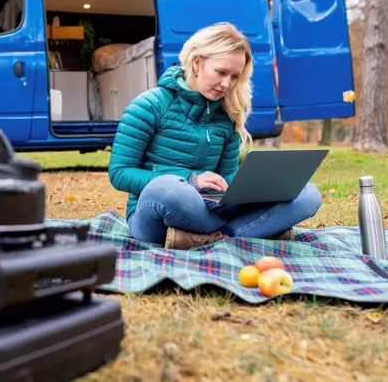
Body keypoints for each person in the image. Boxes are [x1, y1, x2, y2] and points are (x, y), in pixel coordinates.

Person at [108, 23, 323, 250]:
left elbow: (226, 178)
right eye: (221, 72)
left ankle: (217, 238)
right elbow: (119, 173)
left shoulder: (227, 115)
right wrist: (191, 180)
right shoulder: (148, 106)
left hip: (211, 212)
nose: (226, 84)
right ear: (197, 63)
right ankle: (251, 231)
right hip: (155, 213)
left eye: (234, 77)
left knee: (309, 194)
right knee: (167, 188)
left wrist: (252, 188)